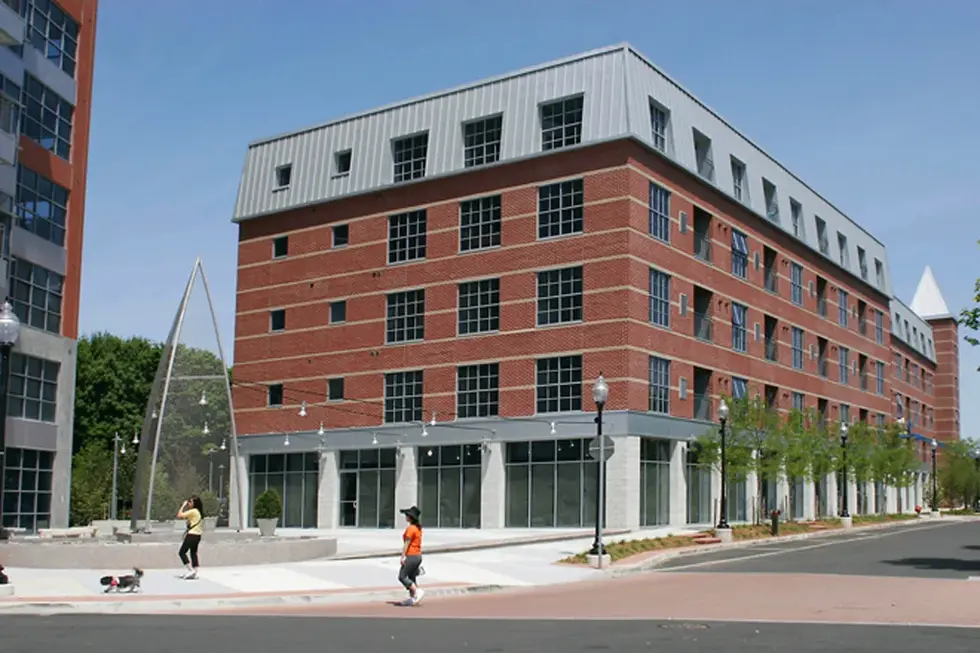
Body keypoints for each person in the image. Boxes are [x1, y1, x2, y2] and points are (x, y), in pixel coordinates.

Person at [398, 505, 424, 605]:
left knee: (402, 576)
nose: (406, 516)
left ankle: (417, 592)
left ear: (410, 517)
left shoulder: (411, 529)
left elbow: (407, 543)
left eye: (407, 515)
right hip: (418, 556)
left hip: (411, 555)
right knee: (412, 577)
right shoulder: (418, 528)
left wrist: (403, 556)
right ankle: (413, 598)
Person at [176, 495, 204, 579]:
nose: (188, 503)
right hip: (198, 535)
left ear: (194, 503)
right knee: (193, 553)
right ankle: (195, 572)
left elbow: (179, 515)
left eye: (190, 502)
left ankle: (190, 570)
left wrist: (183, 505)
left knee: (182, 552)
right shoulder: (198, 512)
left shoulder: (193, 511)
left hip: (192, 535)